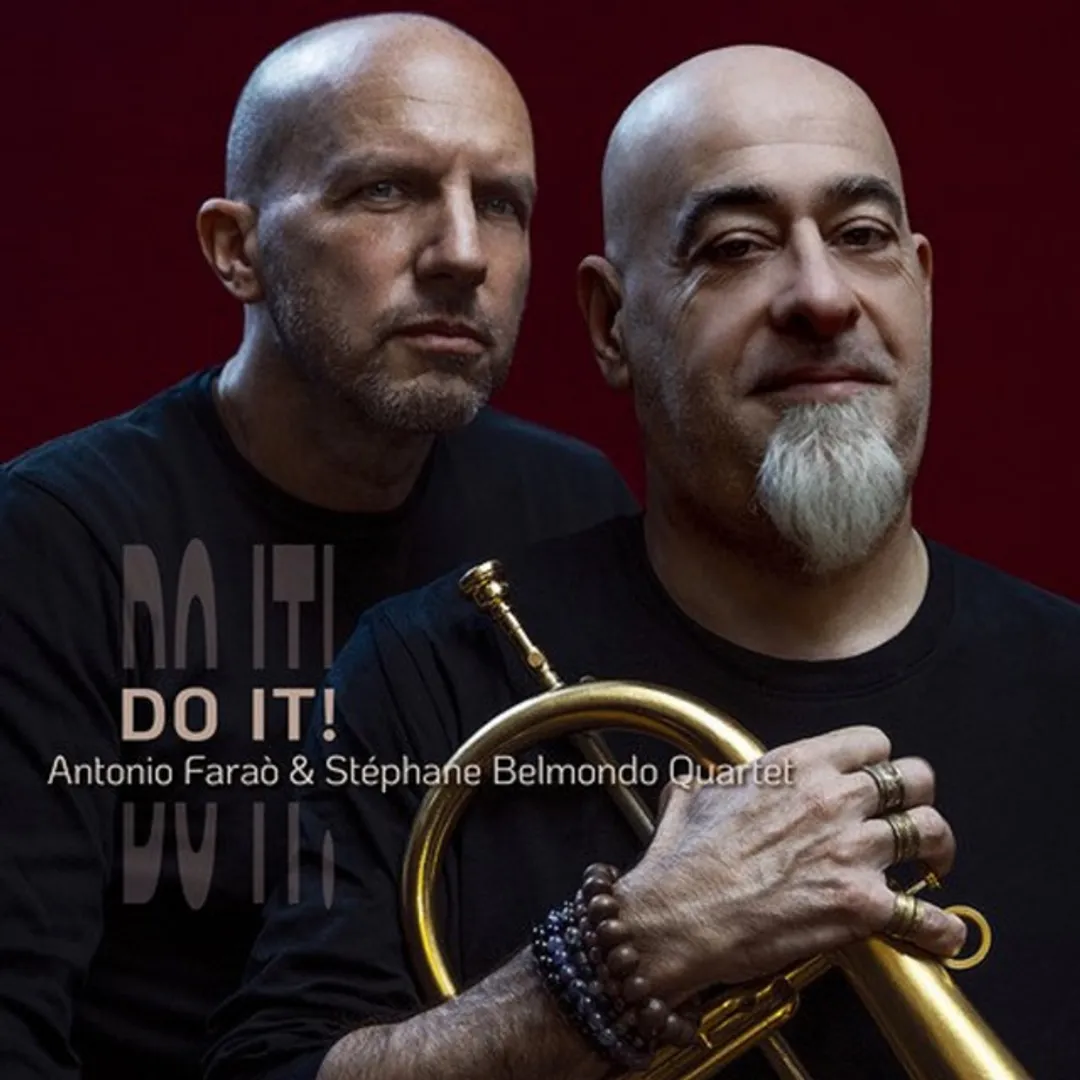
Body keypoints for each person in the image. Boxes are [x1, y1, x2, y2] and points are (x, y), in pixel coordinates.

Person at [203, 41, 1080, 1080]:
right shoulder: (431, 671)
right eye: (736, 247)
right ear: (612, 325)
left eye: (861, 236)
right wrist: (639, 948)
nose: (822, 296)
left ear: (921, 285)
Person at [0, 13, 638, 1080]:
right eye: (385, 190)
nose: (462, 254)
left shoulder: (568, 505)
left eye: (501, 203)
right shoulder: (56, 540)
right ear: (237, 249)